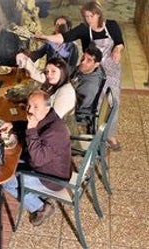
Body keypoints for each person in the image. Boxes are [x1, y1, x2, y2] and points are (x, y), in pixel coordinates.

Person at [36, 1, 124, 150]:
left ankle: (110, 135)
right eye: (86, 16)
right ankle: (95, 133)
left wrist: (118, 50)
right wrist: (45, 37)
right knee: (95, 101)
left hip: (111, 69)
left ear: (98, 14)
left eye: (91, 15)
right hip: (92, 70)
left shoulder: (112, 25)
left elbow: (120, 42)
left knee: (113, 100)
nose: (89, 19)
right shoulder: (84, 29)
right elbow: (64, 37)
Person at [3, 90, 72, 226]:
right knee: (8, 164)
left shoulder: (55, 131)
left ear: (48, 107)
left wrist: (31, 129)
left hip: (52, 179)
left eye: (35, 107)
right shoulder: (49, 117)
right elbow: (33, 127)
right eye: (29, 106)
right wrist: (13, 124)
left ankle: (40, 207)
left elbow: (38, 159)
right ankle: (36, 196)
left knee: (5, 181)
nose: (30, 110)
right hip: (49, 167)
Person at [71, 44, 105, 126]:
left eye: (89, 60)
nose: (83, 62)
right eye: (83, 57)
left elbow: (75, 106)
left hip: (76, 116)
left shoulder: (89, 87)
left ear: (96, 64)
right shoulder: (86, 69)